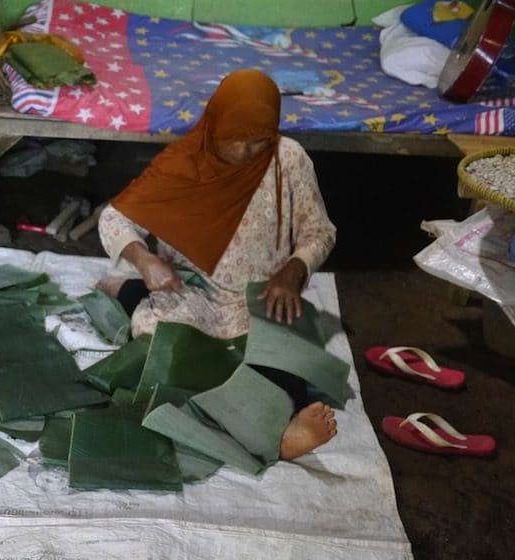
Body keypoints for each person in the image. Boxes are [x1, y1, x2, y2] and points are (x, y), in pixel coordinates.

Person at [97, 69, 338, 460]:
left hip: (259, 296)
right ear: (213, 129)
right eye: (234, 142)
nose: (245, 153)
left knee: (285, 358)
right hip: (192, 295)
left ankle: (279, 430)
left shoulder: (289, 159)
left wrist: (292, 272)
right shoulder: (183, 164)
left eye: (257, 143)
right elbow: (114, 217)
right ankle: (126, 290)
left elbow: (320, 232)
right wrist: (145, 260)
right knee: (163, 351)